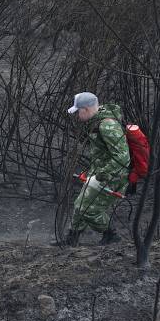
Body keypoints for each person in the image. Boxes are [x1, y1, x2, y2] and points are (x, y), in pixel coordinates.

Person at [63, 92, 130, 246]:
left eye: (78, 111)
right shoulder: (98, 121)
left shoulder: (107, 125)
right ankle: (72, 239)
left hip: (112, 177)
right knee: (79, 205)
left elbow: (123, 156)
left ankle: (111, 235)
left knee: (87, 209)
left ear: (85, 109)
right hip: (100, 174)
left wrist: (103, 173)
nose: (78, 115)